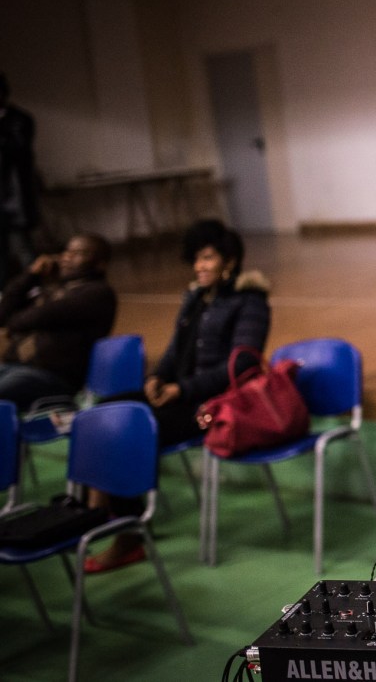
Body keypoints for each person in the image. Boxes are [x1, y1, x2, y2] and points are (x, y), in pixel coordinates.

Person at [84, 218, 271, 573]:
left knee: (132, 429)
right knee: (105, 411)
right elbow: (174, 351)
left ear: (230, 261)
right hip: (179, 395)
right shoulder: (195, 298)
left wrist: (182, 389)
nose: (199, 266)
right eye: (196, 259)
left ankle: (129, 536)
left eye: (208, 258)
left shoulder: (250, 302)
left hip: (212, 406)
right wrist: (157, 378)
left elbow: (242, 364)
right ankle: (98, 511)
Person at [0, 233, 117, 410]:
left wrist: (12, 324)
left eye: (78, 253)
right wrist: (31, 275)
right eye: (67, 251)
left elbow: (38, 316)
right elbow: (3, 313)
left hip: (51, 377)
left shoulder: (97, 293)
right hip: (15, 366)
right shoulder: (54, 288)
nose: (66, 257)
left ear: (100, 264)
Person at [0, 73, 41, 283]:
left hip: (14, 196)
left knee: (22, 246)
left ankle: (34, 287)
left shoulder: (20, 120)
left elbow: (17, 150)